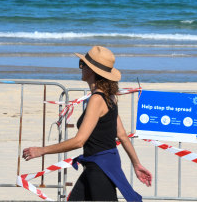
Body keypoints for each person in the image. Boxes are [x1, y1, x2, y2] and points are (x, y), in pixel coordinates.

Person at [22, 46, 152, 201]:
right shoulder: (110, 96)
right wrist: (136, 164)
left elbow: (79, 141)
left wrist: (41, 150)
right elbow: (122, 135)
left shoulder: (97, 99)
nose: (80, 68)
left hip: (100, 168)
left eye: (82, 64)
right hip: (100, 164)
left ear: (91, 70)